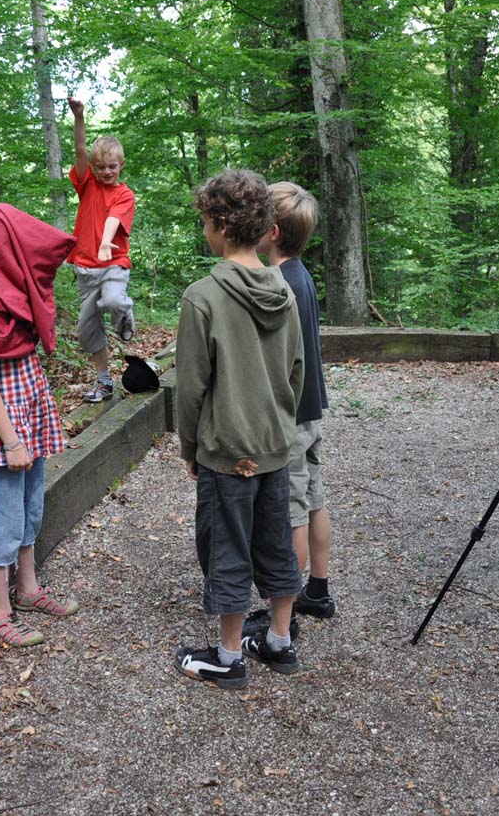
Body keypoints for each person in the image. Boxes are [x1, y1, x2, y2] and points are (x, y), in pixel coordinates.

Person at [173, 169, 305, 689]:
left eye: (206, 221)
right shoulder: (284, 289)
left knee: (227, 547)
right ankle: (279, 640)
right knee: (275, 540)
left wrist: (190, 447)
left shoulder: (202, 296)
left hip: (227, 449)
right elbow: (296, 370)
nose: (205, 230)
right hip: (275, 443)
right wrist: (281, 425)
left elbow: (191, 387)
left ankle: (228, 658)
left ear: (222, 226)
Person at [0, 203, 81, 648]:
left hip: (29, 424)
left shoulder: (15, 296)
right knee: (5, 520)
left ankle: (27, 591)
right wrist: (12, 442)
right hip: (4, 436)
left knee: (30, 511)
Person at [255, 182, 334, 622]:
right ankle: (317, 590)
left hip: (291, 416)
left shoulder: (277, 282)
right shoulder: (301, 275)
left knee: (292, 513)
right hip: (310, 411)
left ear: (272, 232)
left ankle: (282, 616)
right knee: (314, 499)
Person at [66, 97, 136, 403]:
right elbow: (80, 149)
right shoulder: (87, 185)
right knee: (87, 329)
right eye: (102, 167)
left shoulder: (125, 194)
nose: (107, 172)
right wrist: (79, 116)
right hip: (85, 267)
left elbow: (113, 219)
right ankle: (104, 381)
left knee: (113, 299)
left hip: (114, 263)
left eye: (112, 166)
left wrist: (106, 242)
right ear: (94, 168)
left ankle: (125, 315)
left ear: (121, 165)